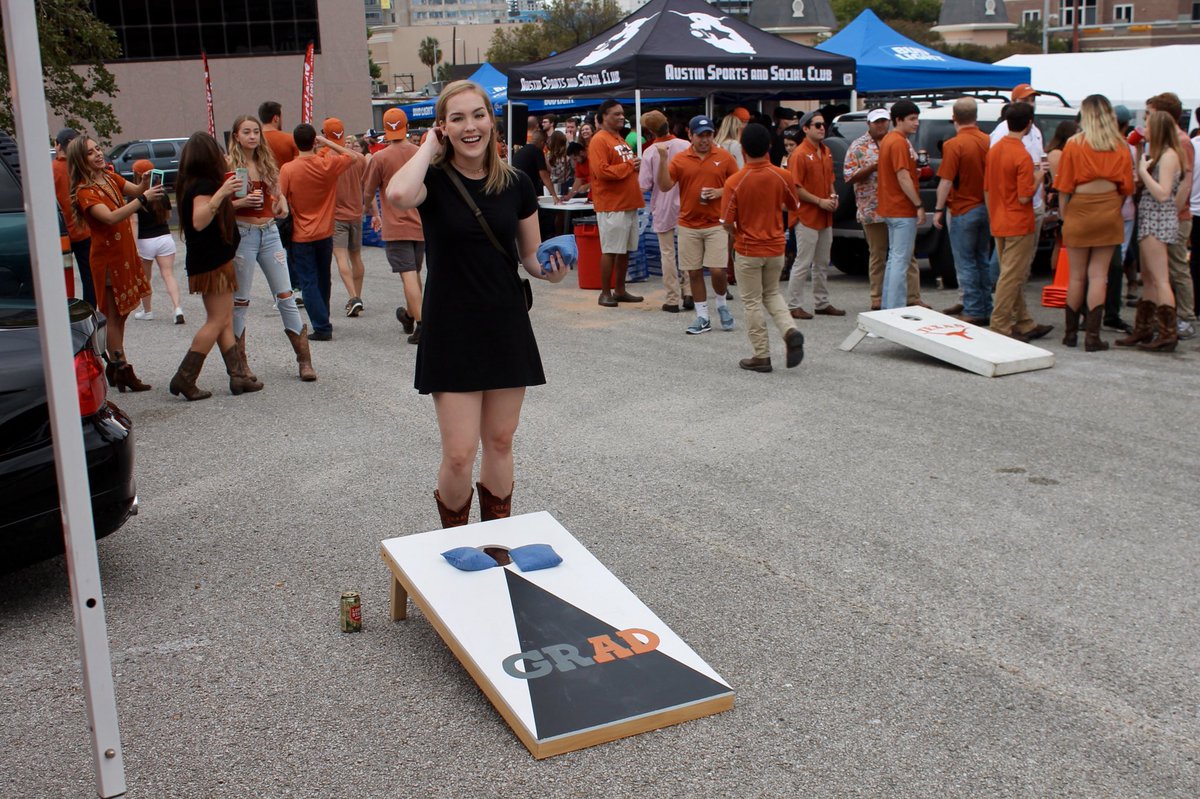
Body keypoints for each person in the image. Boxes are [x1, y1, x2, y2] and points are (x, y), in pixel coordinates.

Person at [385, 80, 568, 528]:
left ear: (492, 119)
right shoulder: (431, 178)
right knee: (461, 452)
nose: (471, 127)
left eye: (478, 115)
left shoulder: (518, 184)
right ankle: (453, 542)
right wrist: (429, 143)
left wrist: (551, 271)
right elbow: (397, 196)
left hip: (505, 323)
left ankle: (495, 539)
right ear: (444, 127)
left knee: (501, 441)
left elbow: (529, 256)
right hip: (451, 328)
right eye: (458, 118)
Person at [67, 135, 163, 392]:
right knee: (111, 316)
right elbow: (109, 218)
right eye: (90, 152)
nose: (98, 153)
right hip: (108, 261)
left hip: (123, 255)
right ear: (80, 159)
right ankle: (120, 367)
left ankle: (118, 367)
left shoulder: (109, 177)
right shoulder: (85, 191)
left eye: (98, 148)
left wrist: (143, 182)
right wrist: (142, 200)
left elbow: (134, 190)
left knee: (121, 314)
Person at [169, 132, 260, 400]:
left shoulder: (193, 183)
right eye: (219, 153)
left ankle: (238, 376)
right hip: (212, 261)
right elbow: (199, 220)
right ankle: (185, 378)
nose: (224, 157)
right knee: (218, 319)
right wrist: (222, 193)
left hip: (211, 259)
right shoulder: (204, 186)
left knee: (223, 319)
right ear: (209, 157)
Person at [226, 114, 314, 382]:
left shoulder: (266, 162)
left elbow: (278, 195)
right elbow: (218, 204)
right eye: (247, 132)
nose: (252, 137)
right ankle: (241, 365)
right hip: (244, 233)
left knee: (286, 296)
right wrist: (241, 204)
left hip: (270, 231)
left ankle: (304, 360)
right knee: (241, 300)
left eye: (255, 132)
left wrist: (281, 203)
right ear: (236, 136)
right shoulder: (229, 164)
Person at [721, 122, 805, 373]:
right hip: (776, 245)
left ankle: (761, 354)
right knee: (772, 294)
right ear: (769, 146)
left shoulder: (735, 181)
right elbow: (793, 205)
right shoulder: (783, 175)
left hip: (748, 247)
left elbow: (726, 221)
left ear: (743, 148)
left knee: (751, 301)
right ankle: (790, 330)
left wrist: (737, 234)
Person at [1054, 94, 1134, 351]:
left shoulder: (1074, 144)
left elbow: (1063, 187)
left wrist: (1065, 216)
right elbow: (1126, 188)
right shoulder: (1120, 145)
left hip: (1079, 209)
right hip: (1109, 209)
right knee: (1099, 276)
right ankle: (1092, 336)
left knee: (1076, 277)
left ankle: (1069, 334)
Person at [656, 114, 739, 334]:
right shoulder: (680, 159)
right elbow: (664, 186)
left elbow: (738, 185)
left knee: (718, 270)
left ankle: (721, 304)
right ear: (690, 135)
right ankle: (703, 316)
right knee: (693, 272)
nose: (704, 139)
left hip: (716, 223)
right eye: (700, 135)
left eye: (708, 135)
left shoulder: (724, 157)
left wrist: (719, 191)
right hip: (688, 223)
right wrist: (663, 160)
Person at [278, 123, 355, 342]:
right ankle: (324, 315)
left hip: (300, 234)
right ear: (314, 141)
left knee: (308, 281)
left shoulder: (288, 169)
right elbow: (353, 156)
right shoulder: (328, 164)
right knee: (324, 278)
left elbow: (280, 199)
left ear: (295, 143)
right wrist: (328, 143)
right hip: (325, 231)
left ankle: (321, 325)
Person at [984, 102, 1053, 342]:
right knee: (1012, 275)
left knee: (1009, 272)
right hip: (1018, 220)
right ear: (1029, 124)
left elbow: (988, 188)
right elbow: (1025, 196)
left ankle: (1024, 322)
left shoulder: (995, 149)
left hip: (999, 218)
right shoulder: (1022, 155)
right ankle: (1000, 323)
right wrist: (1038, 176)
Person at [1117, 110, 1185, 352]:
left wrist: (1144, 171)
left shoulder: (1168, 156)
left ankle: (1167, 332)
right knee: (1148, 277)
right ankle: (1144, 329)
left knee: (1160, 278)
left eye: (1148, 124)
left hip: (1158, 217)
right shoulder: (1160, 154)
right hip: (1150, 217)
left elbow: (1163, 193)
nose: (1144, 127)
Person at [844, 109, 925, 311]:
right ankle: (878, 297)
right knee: (879, 254)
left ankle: (913, 296)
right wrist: (873, 167)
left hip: (893, 204)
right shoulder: (858, 146)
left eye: (883, 121)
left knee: (905, 255)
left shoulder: (900, 141)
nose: (881, 125)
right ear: (868, 124)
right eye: (876, 122)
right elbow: (848, 176)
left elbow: (910, 167)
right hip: (871, 207)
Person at [363, 108, 427, 345]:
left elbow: (368, 192)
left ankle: (421, 325)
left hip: (396, 224)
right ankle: (410, 315)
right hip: (420, 223)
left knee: (408, 275)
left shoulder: (380, 158)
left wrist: (372, 213)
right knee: (415, 273)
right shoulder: (420, 153)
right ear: (406, 125)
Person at [933, 98, 991, 325]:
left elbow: (946, 181)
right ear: (976, 116)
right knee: (982, 259)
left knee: (965, 261)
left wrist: (938, 209)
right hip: (985, 206)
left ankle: (973, 308)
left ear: (954, 118)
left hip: (962, 208)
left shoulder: (953, 145)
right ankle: (986, 305)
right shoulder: (988, 140)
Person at [1144, 92, 1196, 341]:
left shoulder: (1179, 144)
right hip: (1166, 215)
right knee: (1161, 273)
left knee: (1174, 270)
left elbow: (1182, 184)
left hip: (1172, 215)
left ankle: (1182, 320)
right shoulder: (1168, 145)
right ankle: (1162, 321)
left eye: (1150, 115)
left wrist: (1172, 213)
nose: (1146, 122)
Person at [785, 111, 843, 318]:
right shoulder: (799, 154)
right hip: (807, 215)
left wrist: (833, 195)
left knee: (822, 261)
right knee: (803, 261)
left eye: (823, 124)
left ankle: (821, 302)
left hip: (824, 214)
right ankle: (793, 305)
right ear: (805, 128)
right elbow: (795, 187)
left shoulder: (826, 151)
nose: (821, 128)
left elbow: (830, 180)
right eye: (817, 125)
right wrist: (820, 201)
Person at [588, 99, 644, 307]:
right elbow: (602, 172)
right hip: (612, 204)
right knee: (611, 250)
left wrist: (633, 164)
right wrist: (630, 165)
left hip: (628, 202)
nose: (621, 116)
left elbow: (624, 166)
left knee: (625, 250)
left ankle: (620, 290)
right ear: (604, 117)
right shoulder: (599, 140)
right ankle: (605, 293)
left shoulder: (620, 139)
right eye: (616, 114)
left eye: (622, 113)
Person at [638, 110, 691, 313]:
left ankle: (672, 298)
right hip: (686, 202)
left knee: (667, 253)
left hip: (663, 205)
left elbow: (644, 185)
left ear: (650, 131)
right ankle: (690, 292)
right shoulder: (686, 146)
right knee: (687, 250)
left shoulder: (650, 152)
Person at [878, 101, 925, 310]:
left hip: (891, 206)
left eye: (917, 118)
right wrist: (918, 204)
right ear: (898, 120)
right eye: (912, 119)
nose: (916, 123)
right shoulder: (898, 142)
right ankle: (895, 310)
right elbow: (903, 176)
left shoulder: (890, 140)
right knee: (900, 261)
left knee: (894, 259)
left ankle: (889, 308)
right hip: (901, 208)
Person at [321, 117, 369, 317]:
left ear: (325, 135)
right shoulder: (357, 158)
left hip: (337, 215)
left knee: (341, 257)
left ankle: (352, 296)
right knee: (356, 256)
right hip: (356, 213)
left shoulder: (327, 159)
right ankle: (357, 295)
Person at [129, 159, 184, 324]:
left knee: (146, 279)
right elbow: (167, 215)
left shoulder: (135, 196)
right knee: (168, 274)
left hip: (146, 240)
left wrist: (134, 246)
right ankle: (177, 308)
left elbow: (133, 222)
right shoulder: (162, 193)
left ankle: (148, 311)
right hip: (165, 238)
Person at [259, 101, 302, 301]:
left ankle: (278, 290)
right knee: (291, 247)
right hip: (287, 198)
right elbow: (297, 170)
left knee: (268, 249)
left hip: (262, 200)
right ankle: (294, 287)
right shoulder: (289, 139)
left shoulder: (255, 141)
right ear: (276, 117)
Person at [52, 127, 95, 306]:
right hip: (84, 229)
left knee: (60, 277)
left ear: (57, 145)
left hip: (61, 234)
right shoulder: (83, 169)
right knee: (89, 276)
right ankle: (91, 309)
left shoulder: (52, 170)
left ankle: (64, 309)